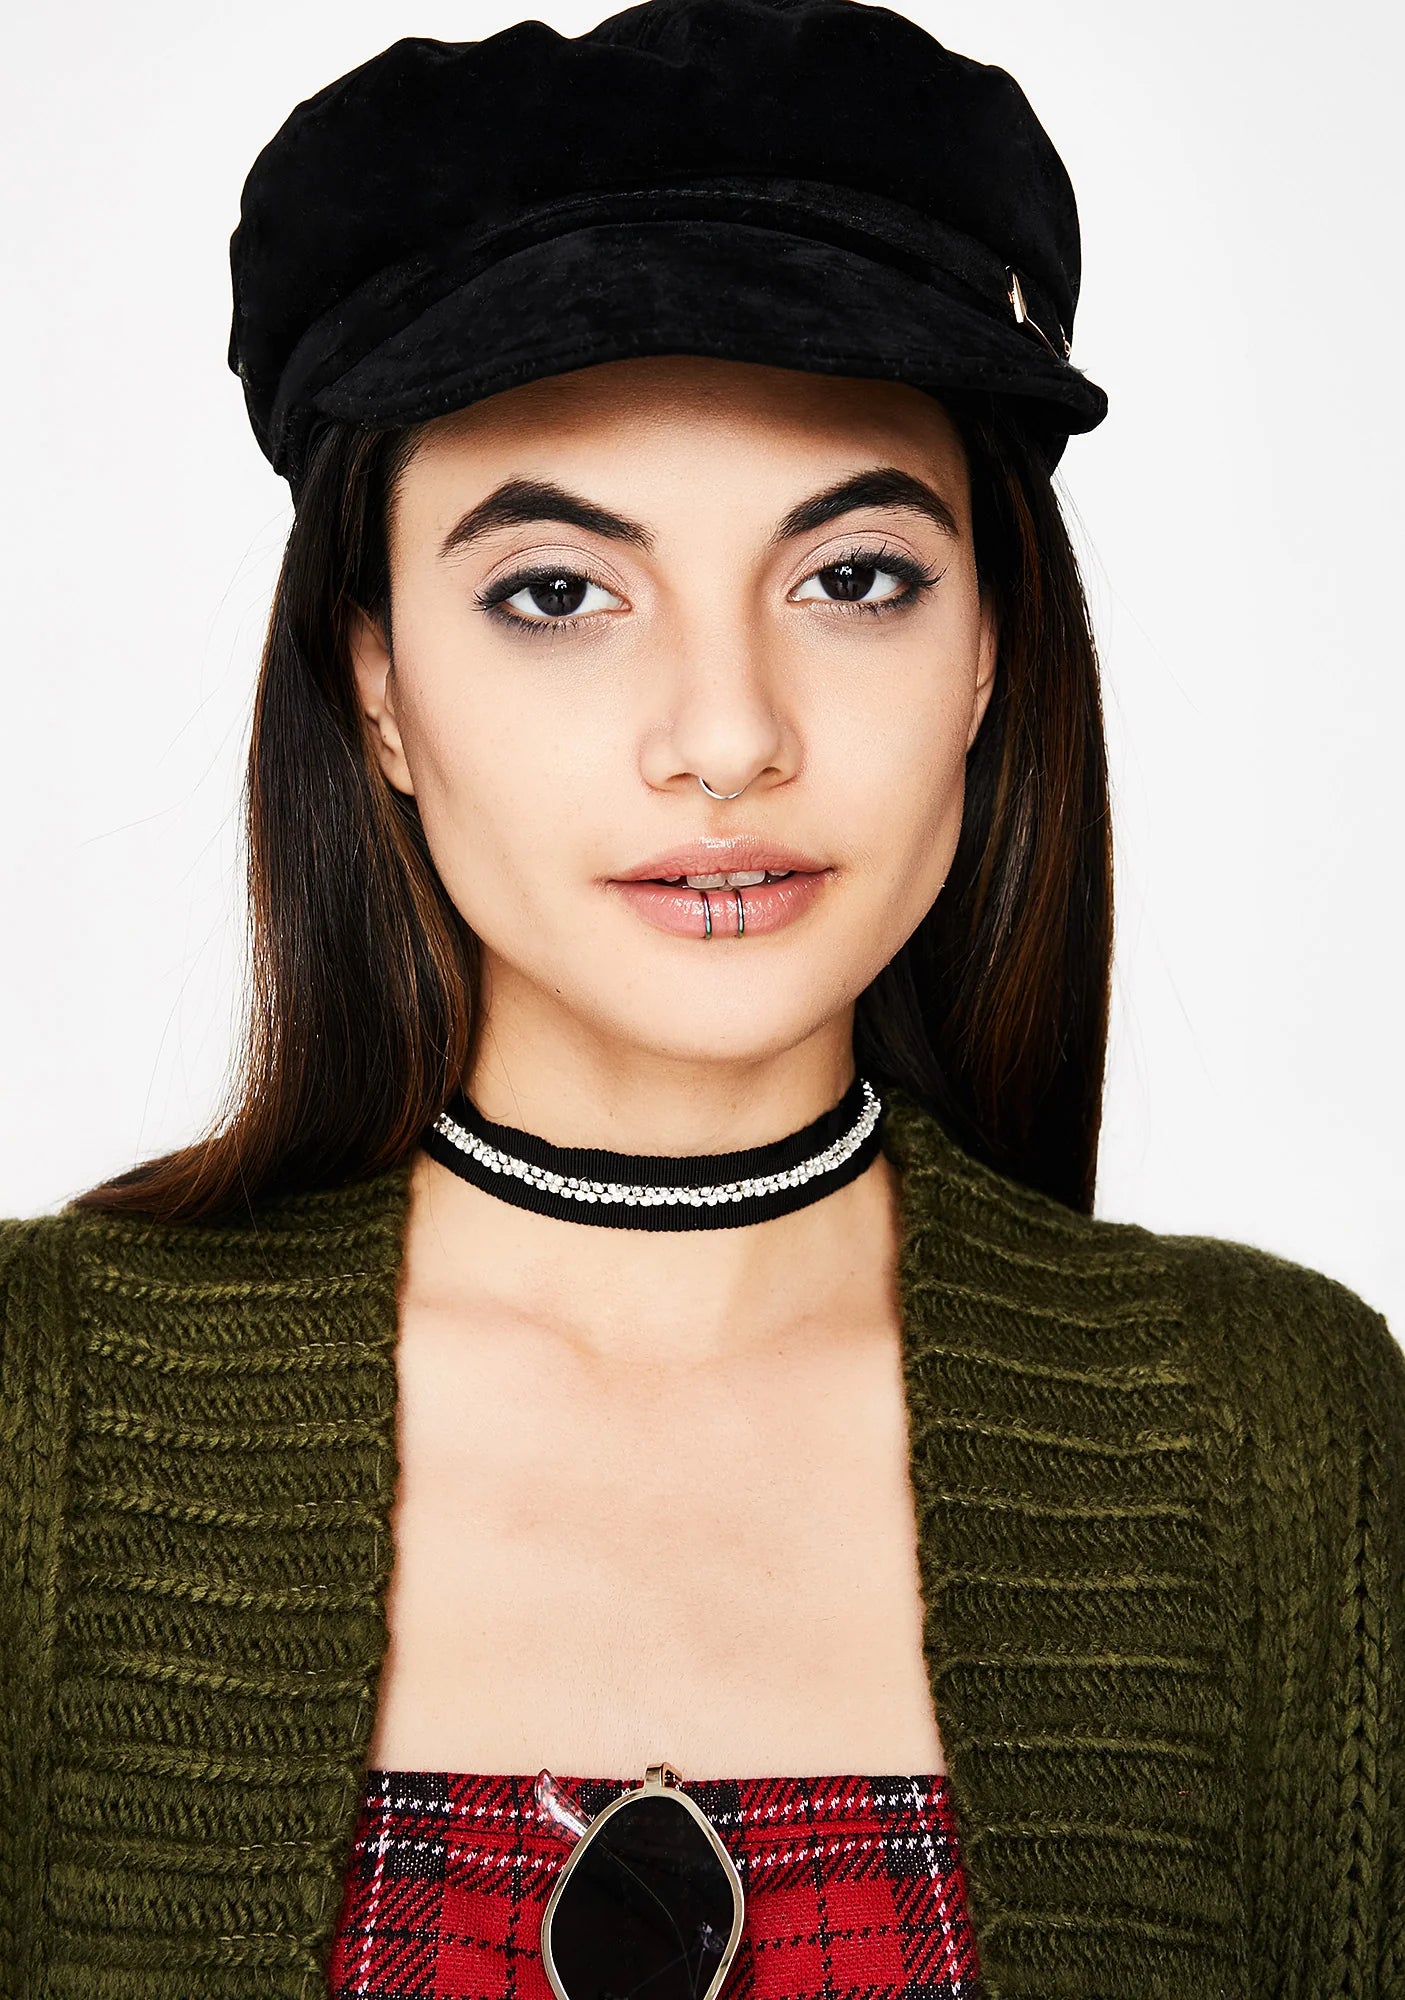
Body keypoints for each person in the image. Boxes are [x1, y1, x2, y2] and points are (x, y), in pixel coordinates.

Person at [1, 4, 1400, 1998]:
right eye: (555, 592)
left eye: (854, 577)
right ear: (377, 687)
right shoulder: (35, 1420)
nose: (728, 735)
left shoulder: (1282, 1440)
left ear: (990, 649)